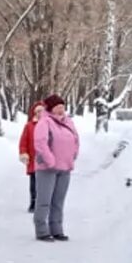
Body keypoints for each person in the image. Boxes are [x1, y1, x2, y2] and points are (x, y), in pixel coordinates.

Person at [33, 94, 79, 242]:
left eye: (62, 107)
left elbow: (76, 139)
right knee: (44, 200)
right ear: (51, 108)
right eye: (58, 107)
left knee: (58, 201)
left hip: (65, 167)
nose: (61, 110)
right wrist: (50, 160)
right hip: (47, 168)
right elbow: (40, 142)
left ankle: (57, 229)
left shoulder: (69, 122)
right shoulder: (45, 122)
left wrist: (73, 155)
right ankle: (41, 230)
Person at [18, 101, 45, 212]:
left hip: (46, 159)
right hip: (33, 158)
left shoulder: (50, 125)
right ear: (35, 113)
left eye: (42, 111)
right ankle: (33, 202)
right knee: (34, 182)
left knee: (45, 183)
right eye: (38, 111)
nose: (40, 113)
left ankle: (44, 203)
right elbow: (23, 141)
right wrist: (23, 153)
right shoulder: (29, 126)